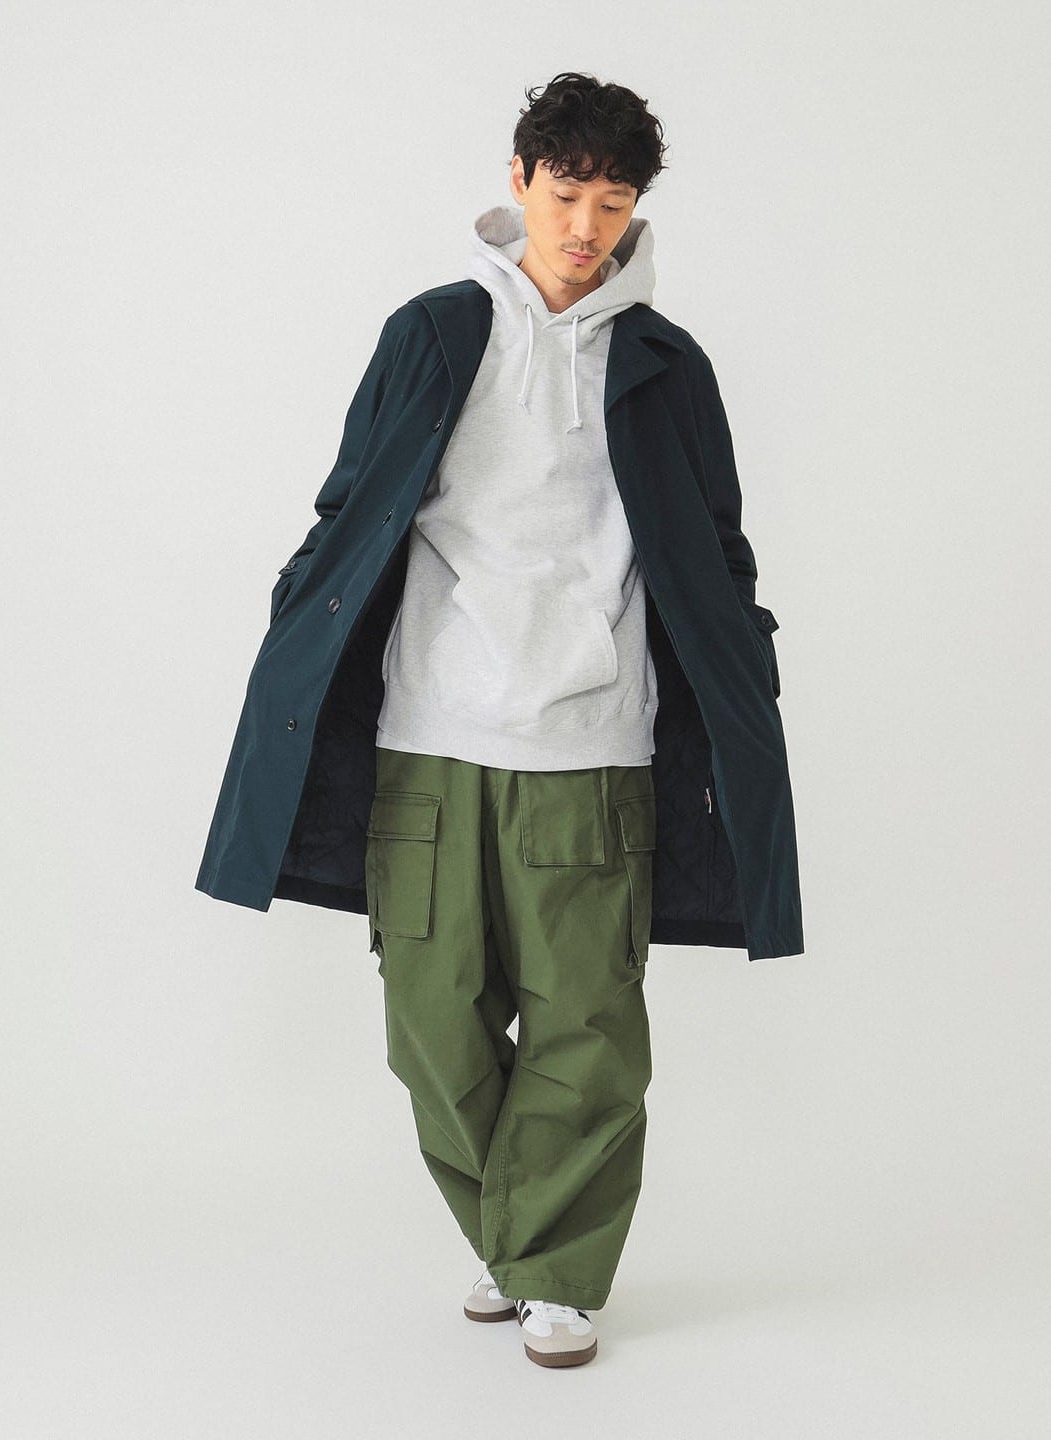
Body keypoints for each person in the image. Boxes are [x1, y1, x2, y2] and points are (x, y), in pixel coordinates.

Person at [195, 70, 804, 1370]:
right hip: (427, 730)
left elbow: (718, 549)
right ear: (520, 180)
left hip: (593, 742)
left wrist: (744, 672)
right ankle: (524, 1238)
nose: (587, 226)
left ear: (638, 209)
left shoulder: (666, 367)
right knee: (431, 1024)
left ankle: (554, 1270)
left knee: (589, 1021)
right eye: (568, 193)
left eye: (614, 202)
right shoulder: (432, 334)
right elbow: (349, 504)